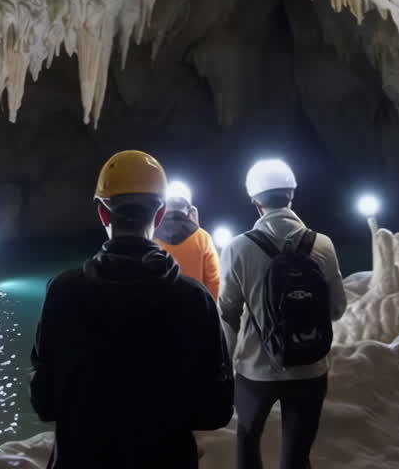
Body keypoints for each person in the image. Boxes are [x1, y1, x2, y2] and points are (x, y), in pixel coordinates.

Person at [30, 150, 235, 469]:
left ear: (103, 214)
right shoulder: (194, 299)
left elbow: (44, 403)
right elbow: (216, 410)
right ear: (160, 214)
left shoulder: (64, 293)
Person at [218, 158, 347, 469]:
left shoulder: (237, 248)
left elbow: (228, 314)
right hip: (311, 368)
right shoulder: (323, 245)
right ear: (292, 194)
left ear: (254, 200)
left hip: (256, 371)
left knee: (248, 441)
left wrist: (225, 364)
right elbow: (337, 309)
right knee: (297, 454)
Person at [156, 181, 222, 300]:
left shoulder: (150, 236)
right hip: (195, 312)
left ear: (163, 206)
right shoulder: (203, 238)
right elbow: (215, 282)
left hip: (157, 313)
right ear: (190, 209)